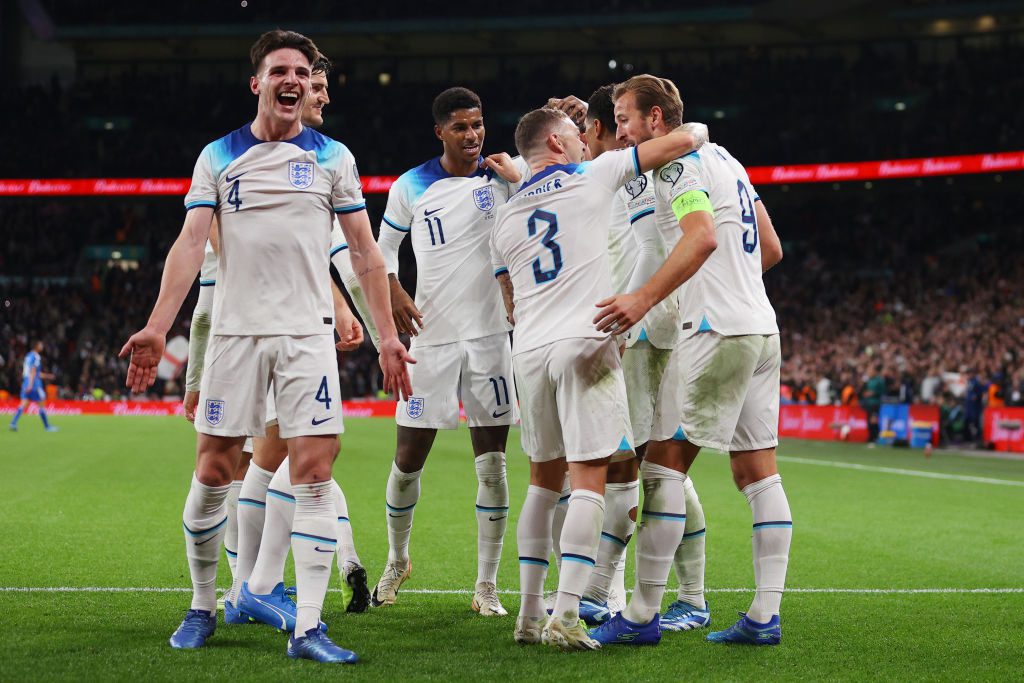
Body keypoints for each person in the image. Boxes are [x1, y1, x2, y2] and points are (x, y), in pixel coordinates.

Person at [120, 30, 412, 664]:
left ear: (309, 84)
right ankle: (203, 605)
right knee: (214, 470)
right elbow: (191, 243)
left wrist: (386, 334)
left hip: (307, 339)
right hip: (236, 337)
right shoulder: (219, 156)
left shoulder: (334, 157)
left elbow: (363, 253)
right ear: (257, 82)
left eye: (302, 72)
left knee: (312, 472)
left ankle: (308, 628)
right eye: (280, 70)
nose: (294, 80)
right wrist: (155, 326)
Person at [491, 106, 706, 650]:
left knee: (542, 483)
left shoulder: (506, 217)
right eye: (576, 137)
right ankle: (567, 613)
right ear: (559, 144)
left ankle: (528, 615)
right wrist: (695, 129)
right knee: (588, 481)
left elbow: (511, 296)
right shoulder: (595, 175)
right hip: (584, 342)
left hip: (529, 353)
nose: (587, 142)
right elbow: (682, 141)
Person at [589, 74, 787, 647]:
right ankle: (761, 617)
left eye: (625, 118)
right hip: (760, 326)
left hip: (716, 329)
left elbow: (700, 237)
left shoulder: (677, 166)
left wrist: (644, 298)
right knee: (757, 473)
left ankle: (642, 614)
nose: (621, 130)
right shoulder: (731, 161)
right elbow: (770, 249)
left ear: (656, 120)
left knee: (663, 467)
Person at [548, 87, 710, 634]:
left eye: (615, 125)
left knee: (653, 466)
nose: (616, 136)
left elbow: (673, 244)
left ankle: (686, 595)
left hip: (647, 330)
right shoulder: (607, 178)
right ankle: (612, 591)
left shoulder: (640, 173)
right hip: (633, 327)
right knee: (644, 464)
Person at [371, 87, 525, 615]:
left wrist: (523, 170)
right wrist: (393, 291)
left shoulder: (504, 176)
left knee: (494, 465)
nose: (473, 135)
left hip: (489, 339)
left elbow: (560, 180)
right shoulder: (410, 186)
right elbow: (382, 248)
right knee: (408, 459)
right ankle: (397, 559)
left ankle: (485, 585)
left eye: (478, 124)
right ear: (440, 131)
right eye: (461, 126)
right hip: (431, 340)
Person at [8, 341, 57, 432]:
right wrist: (31, 385)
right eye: (40, 344)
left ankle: (13, 423)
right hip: (34, 384)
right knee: (42, 403)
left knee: (23, 404)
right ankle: (47, 427)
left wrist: (48, 376)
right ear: (36, 346)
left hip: (26, 382)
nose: (42, 346)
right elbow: (33, 371)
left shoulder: (28, 356)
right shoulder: (36, 357)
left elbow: (34, 373)